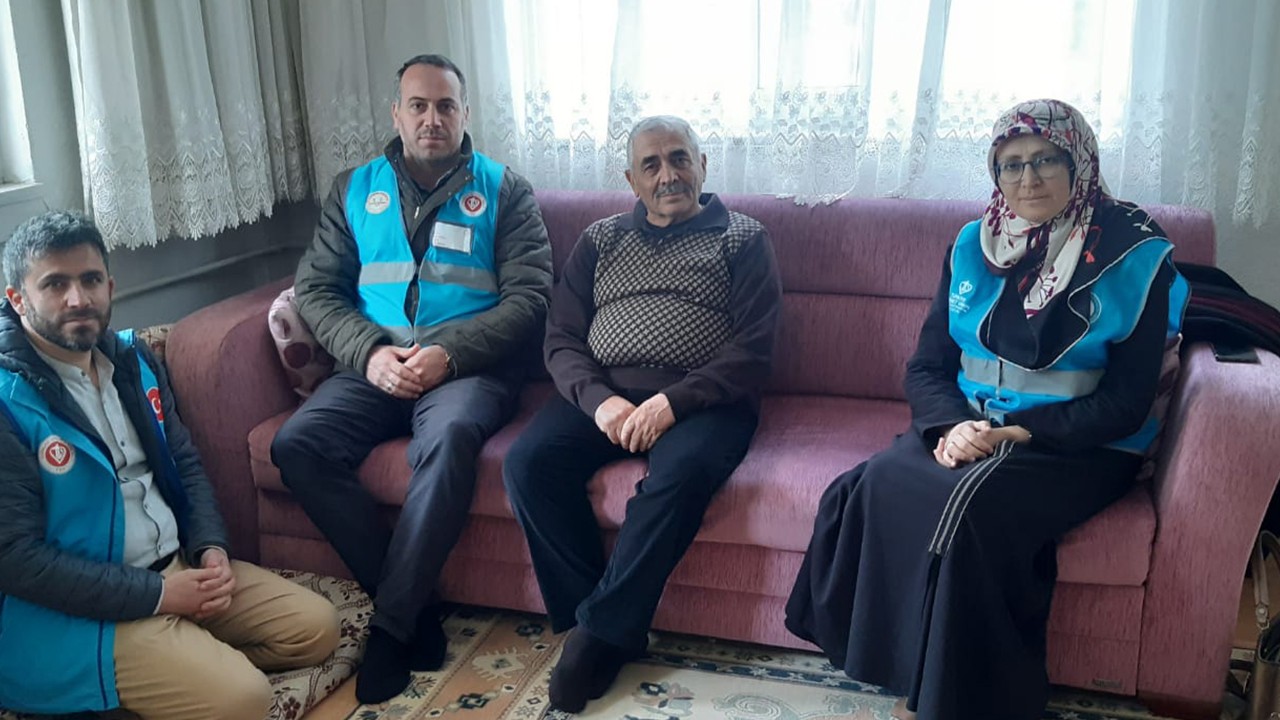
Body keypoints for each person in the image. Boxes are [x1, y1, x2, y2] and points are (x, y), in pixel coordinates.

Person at [785, 99, 1189, 720]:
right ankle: (902, 671)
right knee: (873, 484)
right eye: (1011, 164)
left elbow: (1126, 403)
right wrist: (951, 427)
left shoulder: (1134, 256)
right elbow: (926, 367)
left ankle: (949, 703)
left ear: (1079, 163)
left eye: (1045, 160)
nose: (1028, 178)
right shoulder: (973, 245)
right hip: (972, 425)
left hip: (1079, 444)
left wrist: (1019, 432)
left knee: (969, 513)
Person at [269, 53, 553, 703]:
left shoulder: (506, 190)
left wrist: (448, 354)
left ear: (465, 114)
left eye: (445, 106)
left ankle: (391, 631)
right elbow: (317, 288)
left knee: (448, 441)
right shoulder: (353, 188)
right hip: (373, 364)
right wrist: (369, 352)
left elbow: (531, 298)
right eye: (418, 106)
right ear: (396, 114)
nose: (432, 118)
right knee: (297, 444)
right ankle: (414, 605)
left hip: (466, 369)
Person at [0, 211, 339, 720]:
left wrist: (210, 548)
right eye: (55, 284)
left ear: (110, 286)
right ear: (17, 299)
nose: (78, 299)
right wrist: (157, 597)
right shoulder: (7, 402)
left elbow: (185, 462)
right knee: (244, 700)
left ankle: (182, 658)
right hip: (84, 615)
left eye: (90, 280)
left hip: (177, 567)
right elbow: (15, 559)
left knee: (317, 629)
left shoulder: (132, 360)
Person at [503, 115, 783, 713]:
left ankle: (596, 638)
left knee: (680, 477)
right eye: (650, 165)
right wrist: (598, 400)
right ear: (631, 180)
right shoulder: (600, 239)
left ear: (702, 165)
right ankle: (596, 621)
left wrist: (671, 403)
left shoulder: (743, 237)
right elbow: (561, 337)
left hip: (704, 400)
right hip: (603, 393)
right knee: (528, 463)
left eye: (679, 158)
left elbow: (754, 349)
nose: (667, 175)